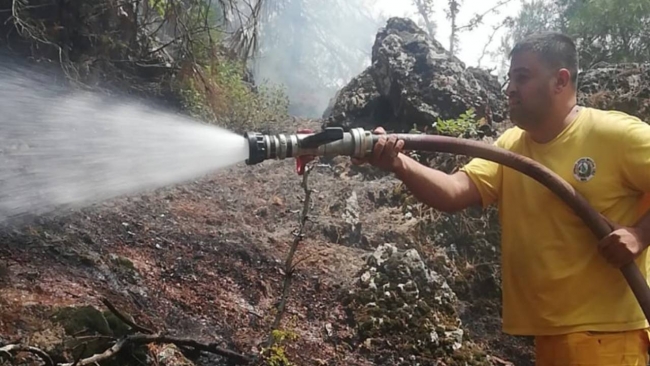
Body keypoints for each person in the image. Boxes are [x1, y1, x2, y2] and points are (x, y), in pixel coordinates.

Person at [354, 31, 650, 364]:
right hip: (552, 338)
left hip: (608, 336)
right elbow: (454, 192)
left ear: (560, 81)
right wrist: (398, 162)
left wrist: (640, 234)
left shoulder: (614, 135)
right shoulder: (511, 145)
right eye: (509, 78)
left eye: (522, 77)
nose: (510, 88)